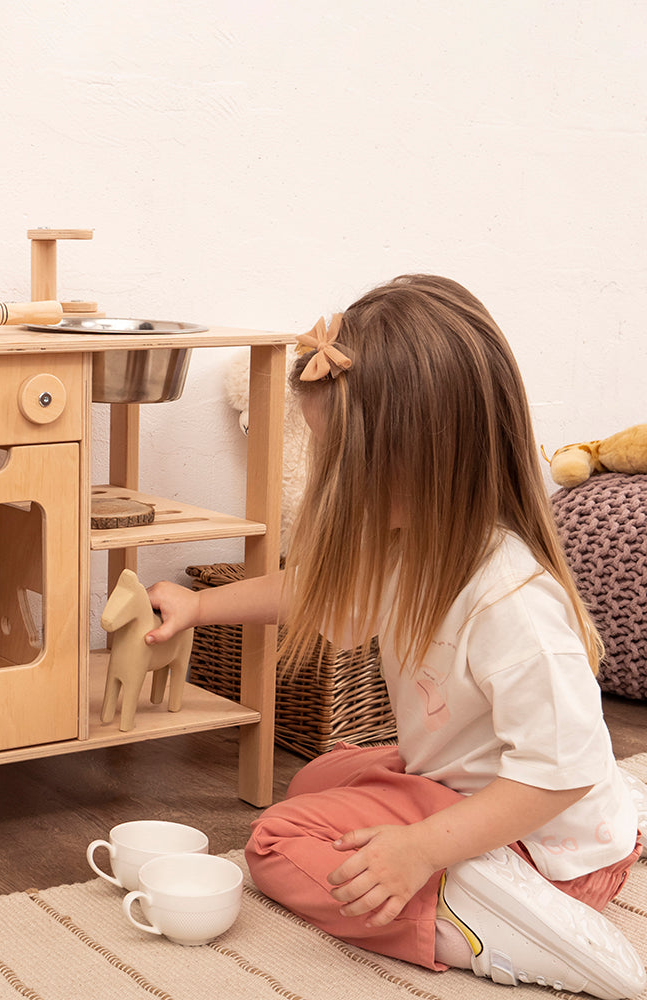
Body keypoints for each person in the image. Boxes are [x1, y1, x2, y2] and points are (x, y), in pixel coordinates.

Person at [145, 275, 646, 999]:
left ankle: (495, 925)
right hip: (490, 793)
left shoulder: (512, 601)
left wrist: (416, 850)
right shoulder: (410, 543)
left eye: (338, 461)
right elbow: (318, 595)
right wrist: (198, 607)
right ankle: (494, 860)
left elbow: (556, 772)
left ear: (422, 457)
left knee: (278, 843)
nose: (325, 478)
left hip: (548, 849)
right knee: (323, 775)